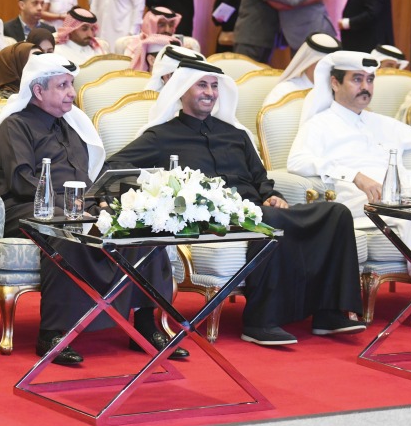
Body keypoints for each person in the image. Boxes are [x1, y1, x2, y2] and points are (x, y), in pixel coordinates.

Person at [110, 56, 365, 346]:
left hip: (255, 211)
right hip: (211, 219)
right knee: (268, 220)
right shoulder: (161, 136)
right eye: (201, 85)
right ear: (182, 91)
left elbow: (261, 180)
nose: (209, 92)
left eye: (214, 86)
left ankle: (329, 314)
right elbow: (115, 168)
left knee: (336, 213)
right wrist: (161, 195)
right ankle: (260, 321)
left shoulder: (235, 134)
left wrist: (272, 195)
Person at [0, 53, 178, 364]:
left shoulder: (72, 125)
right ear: (39, 91)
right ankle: (54, 333)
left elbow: (91, 176)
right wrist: (73, 205)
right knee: (69, 231)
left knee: (139, 230)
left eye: (72, 84)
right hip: (28, 209)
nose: (72, 92)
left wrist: (103, 199)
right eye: (63, 85)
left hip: (79, 208)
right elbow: (21, 182)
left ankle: (146, 325)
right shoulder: (15, 126)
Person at [290, 51, 411, 238]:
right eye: (357, 79)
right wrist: (355, 176)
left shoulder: (383, 122)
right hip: (359, 200)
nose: (366, 87)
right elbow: (297, 161)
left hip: (402, 197)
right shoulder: (319, 124)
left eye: (370, 80)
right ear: (334, 83)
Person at [262, 32, 339, 107]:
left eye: (332, 66)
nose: (329, 70)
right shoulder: (285, 91)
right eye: (323, 64)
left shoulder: (337, 93)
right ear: (309, 62)